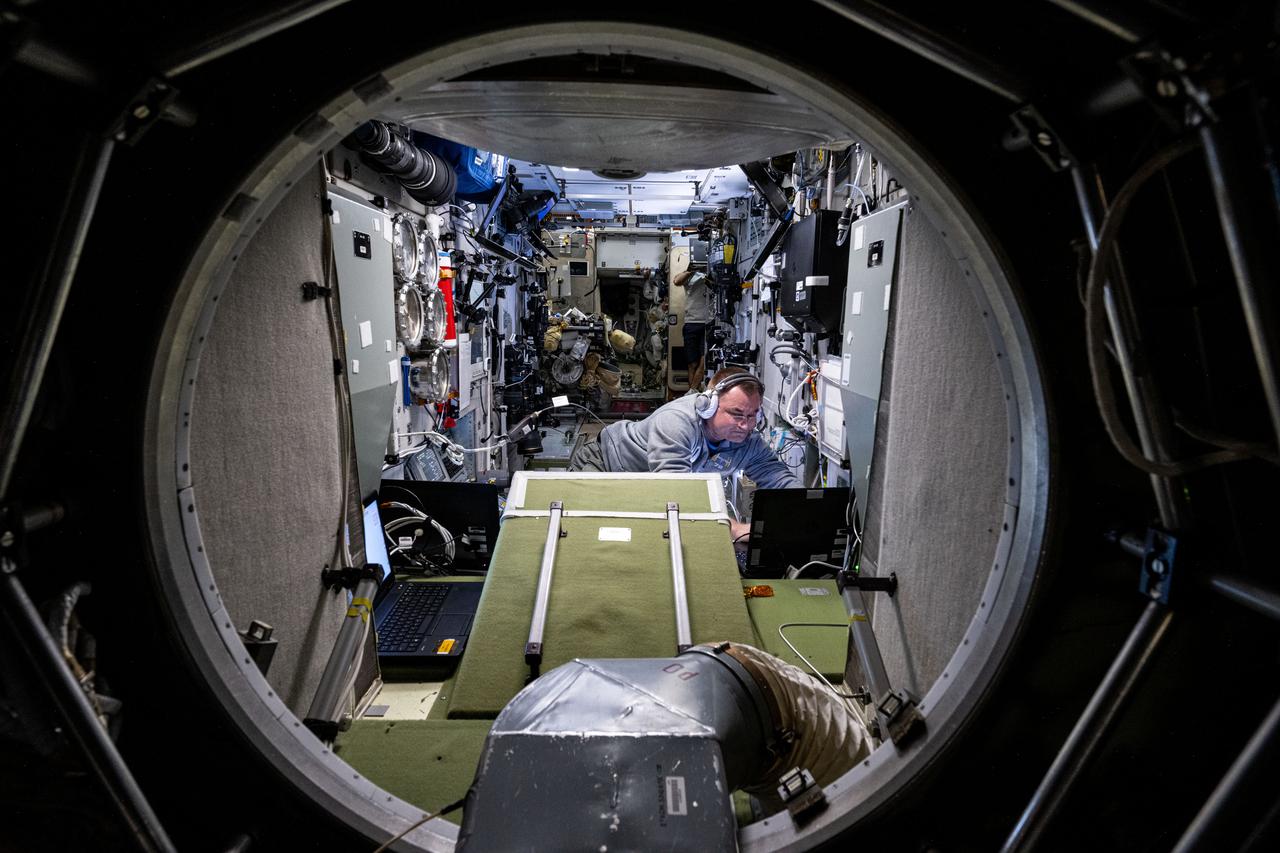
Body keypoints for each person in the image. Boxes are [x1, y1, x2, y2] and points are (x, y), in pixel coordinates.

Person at [571, 367, 802, 540]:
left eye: (752, 415)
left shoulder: (747, 441)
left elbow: (778, 477)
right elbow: (676, 492)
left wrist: (805, 508)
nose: (745, 425)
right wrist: (733, 528)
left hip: (646, 488)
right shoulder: (676, 422)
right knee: (585, 537)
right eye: (737, 414)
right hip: (606, 466)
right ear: (708, 406)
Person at [674, 267, 713, 390]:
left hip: (708, 323)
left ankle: (692, 392)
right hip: (691, 323)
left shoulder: (713, 273)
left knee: (703, 361)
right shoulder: (690, 276)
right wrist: (691, 270)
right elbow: (676, 281)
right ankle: (693, 393)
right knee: (692, 363)